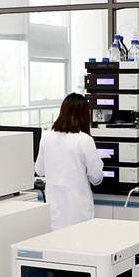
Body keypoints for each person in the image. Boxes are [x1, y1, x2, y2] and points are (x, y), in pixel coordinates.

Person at [35, 93, 105, 230]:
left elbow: (39, 170)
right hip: (78, 211)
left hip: (54, 211)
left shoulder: (47, 137)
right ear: (84, 115)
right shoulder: (84, 140)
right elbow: (96, 177)